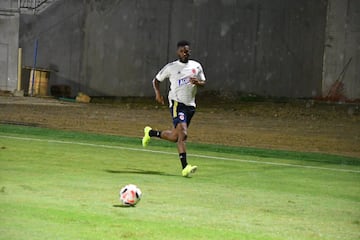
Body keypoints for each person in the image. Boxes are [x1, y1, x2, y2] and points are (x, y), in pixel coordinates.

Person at [142, 40, 206, 177]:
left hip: (191, 106)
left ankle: (151, 133)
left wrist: (198, 83)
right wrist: (158, 94)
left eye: (187, 51)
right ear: (178, 52)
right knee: (183, 134)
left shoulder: (196, 66)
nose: (185, 53)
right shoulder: (171, 67)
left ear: (190, 52)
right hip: (177, 103)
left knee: (175, 137)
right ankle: (185, 167)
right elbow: (156, 80)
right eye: (182, 51)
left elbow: (203, 82)